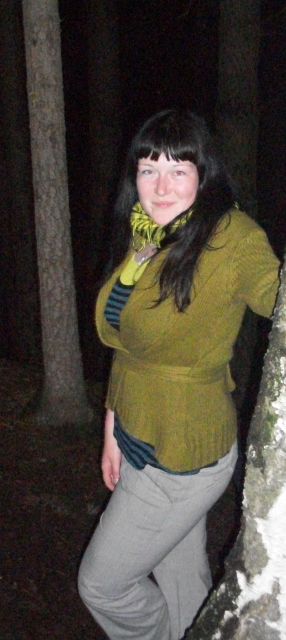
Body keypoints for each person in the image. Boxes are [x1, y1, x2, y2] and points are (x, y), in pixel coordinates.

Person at [77, 110, 280, 640]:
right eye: (149, 169)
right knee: (184, 581)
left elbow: (274, 293)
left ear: (203, 174)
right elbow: (125, 345)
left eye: (178, 170)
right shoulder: (148, 234)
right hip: (139, 436)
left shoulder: (232, 237)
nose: (161, 186)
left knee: (102, 586)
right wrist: (112, 429)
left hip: (179, 456)